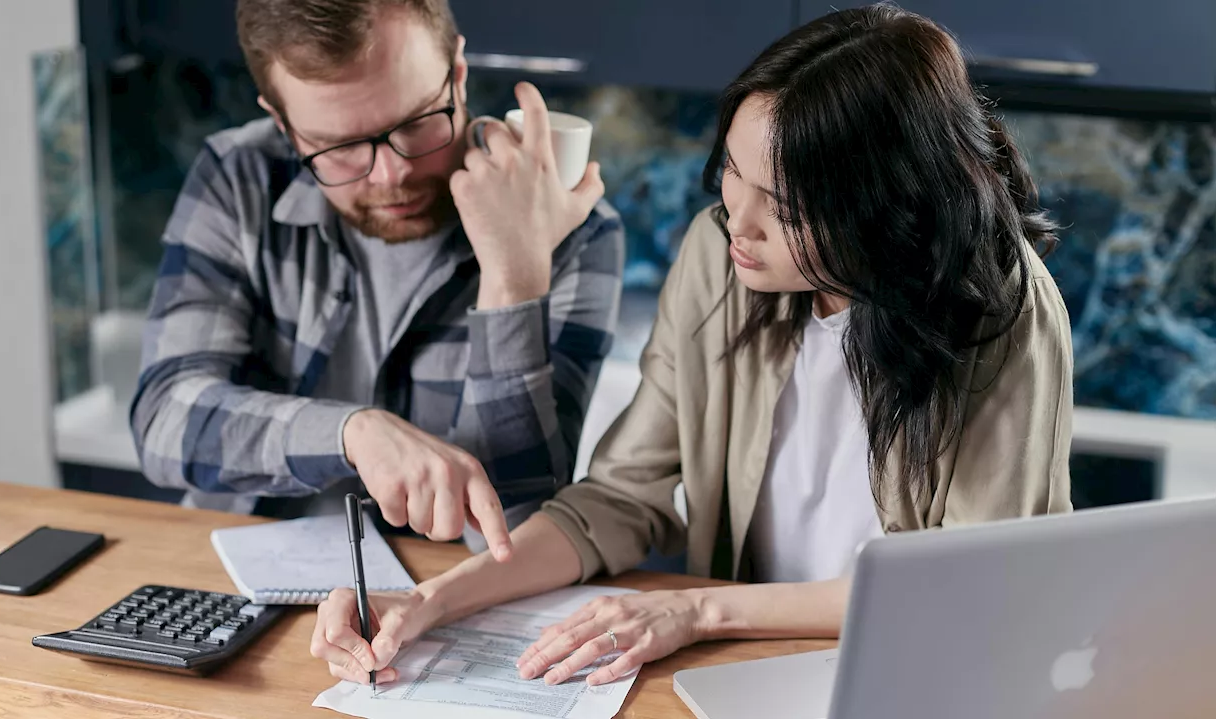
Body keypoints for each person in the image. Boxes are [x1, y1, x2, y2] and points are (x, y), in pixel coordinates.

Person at [310, 3, 1075, 688]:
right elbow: (617, 498)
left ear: (885, 208)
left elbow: (967, 585)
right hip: (745, 670)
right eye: (732, 177)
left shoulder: (1003, 310)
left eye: (782, 207)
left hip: (917, 676)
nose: (735, 223)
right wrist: (430, 600)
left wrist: (698, 609)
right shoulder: (719, 257)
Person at [129, 0, 625, 558]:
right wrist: (352, 434)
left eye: (416, 124)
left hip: (445, 595)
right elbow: (163, 422)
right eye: (338, 147)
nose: (394, 175)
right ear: (282, 124)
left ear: (457, 75)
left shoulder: (571, 226)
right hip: (242, 568)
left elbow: (514, 530)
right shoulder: (238, 175)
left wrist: (513, 279)